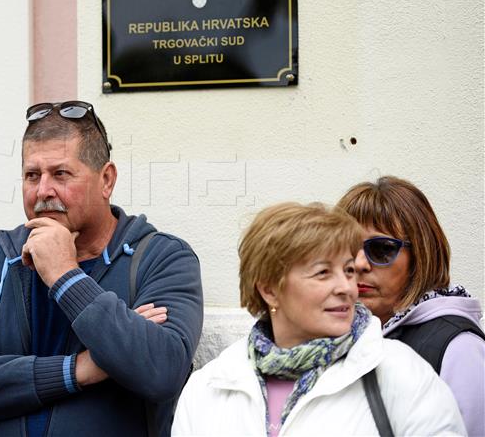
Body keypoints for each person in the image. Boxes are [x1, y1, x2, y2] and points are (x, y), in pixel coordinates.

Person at [0, 100, 203, 437]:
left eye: (61, 174)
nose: (43, 191)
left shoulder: (162, 258)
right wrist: (80, 369)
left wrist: (65, 276)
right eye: (32, 175)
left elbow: (161, 370)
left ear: (106, 180)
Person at [172, 202, 465, 436]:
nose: (346, 288)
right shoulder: (209, 387)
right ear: (270, 289)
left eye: (348, 270)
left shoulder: (402, 374)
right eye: (323, 272)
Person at [338, 176, 485, 436]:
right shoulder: (339, 337)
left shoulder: (458, 347)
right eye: (347, 248)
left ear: (421, 255)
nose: (360, 264)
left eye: (381, 249)